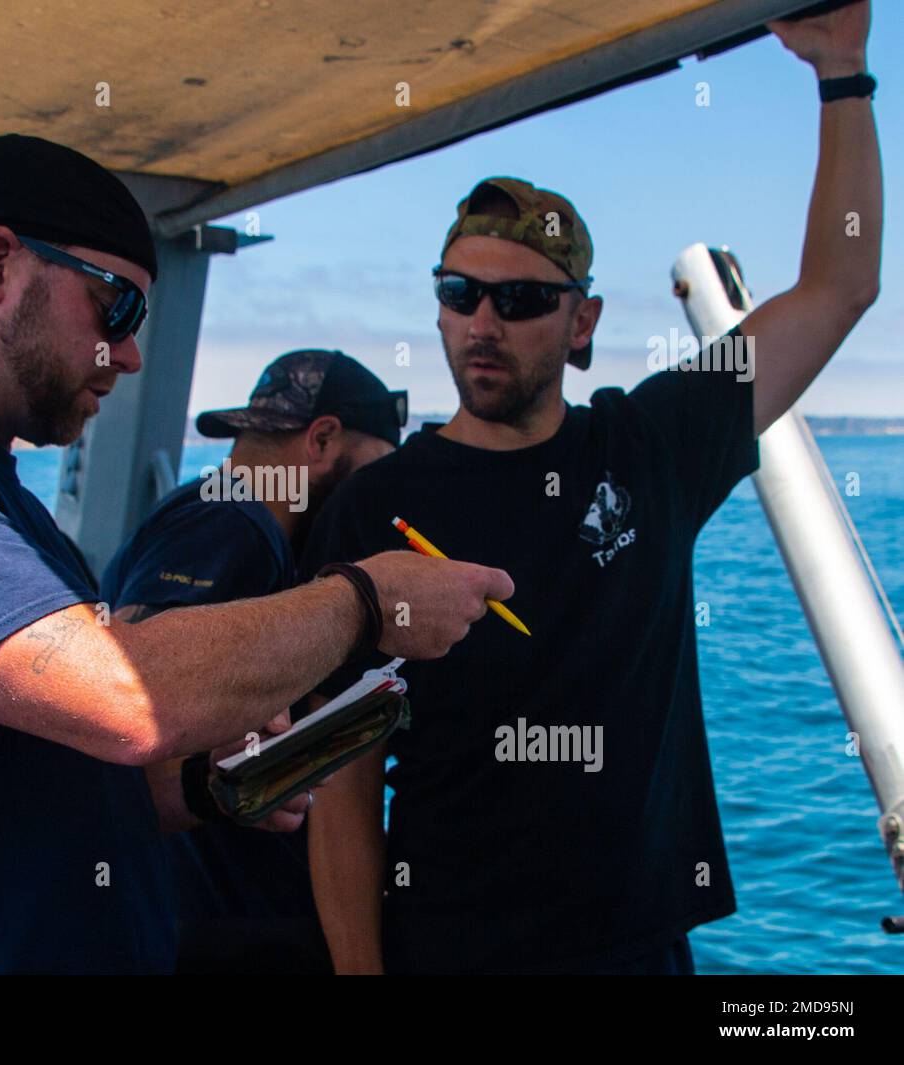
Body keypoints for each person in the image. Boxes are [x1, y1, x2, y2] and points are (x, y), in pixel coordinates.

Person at [0, 134, 514, 974]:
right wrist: (367, 601)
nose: (131, 355)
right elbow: (125, 697)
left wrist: (207, 782)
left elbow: (37, 781)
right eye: (118, 308)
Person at [300, 3, 881, 975]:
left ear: (582, 322)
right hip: (450, 948)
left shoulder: (649, 445)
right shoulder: (372, 507)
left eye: (521, 299)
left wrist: (842, 71)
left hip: (636, 952)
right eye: (458, 294)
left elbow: (838, 286)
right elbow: (345, 784)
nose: (483, 321)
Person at [101, 348, 405, 973]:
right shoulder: (229, 525)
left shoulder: (225, 519)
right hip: (226, 928)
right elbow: (131, 683)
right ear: (322, 439)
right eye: (377, 472)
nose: (377, 502)